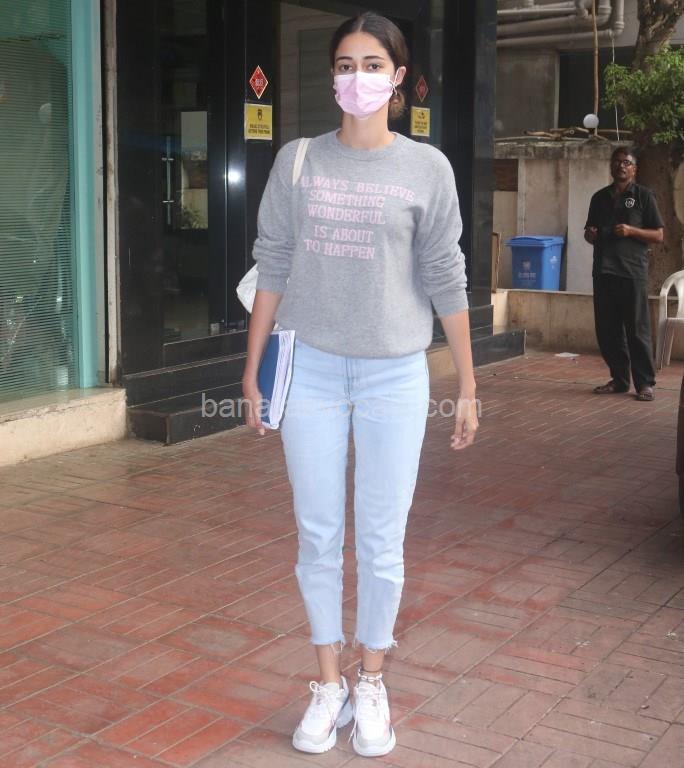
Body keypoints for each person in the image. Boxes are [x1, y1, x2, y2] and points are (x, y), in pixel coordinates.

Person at [242, 12, 478, 757]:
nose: (358, 77)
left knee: (381, 538)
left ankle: (371, 677)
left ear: (398, 77)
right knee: (317, 531)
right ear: (332, 76)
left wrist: (468, 382)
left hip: (395, 374)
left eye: (373, 65)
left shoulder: (427, 169)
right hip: (310, 368)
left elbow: (446, 276)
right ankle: (327, 682)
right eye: (346, 64)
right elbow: (273, 263)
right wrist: (252, 369)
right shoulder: (298, 161)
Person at [584, 147, 664, 401]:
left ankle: (645, 384)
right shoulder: (599, 198)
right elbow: (588, 233)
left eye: (627, 162)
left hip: (632, 272)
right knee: (608, 331)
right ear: (611, 166)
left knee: (637, 330)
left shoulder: (644, 196)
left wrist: (631, 231)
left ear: (634, 169)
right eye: (617, 161)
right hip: (604, 271)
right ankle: (619, 380)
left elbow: (658, 235)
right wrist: (591, 235)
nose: (621, 166)